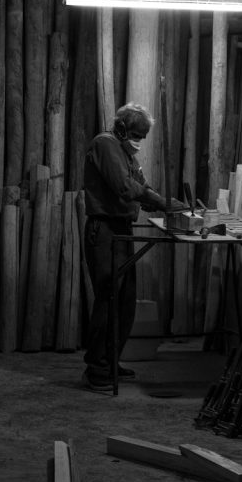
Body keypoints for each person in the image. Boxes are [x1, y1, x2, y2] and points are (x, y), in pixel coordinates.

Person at [81, 102, 181, 390]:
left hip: (120, 229)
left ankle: (110, 361)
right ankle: (96, 367)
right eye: (137, 133)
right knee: (109, 298)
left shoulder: (125, 152)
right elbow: (124, 187)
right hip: (104, 230)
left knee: (125, 302)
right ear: (122, 127)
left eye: (143, 136)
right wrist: (163, 203)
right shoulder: (105, 144)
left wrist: (167, 203)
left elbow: (142, 185)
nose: (139, 141)